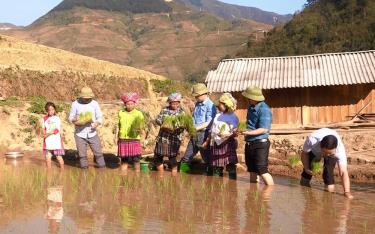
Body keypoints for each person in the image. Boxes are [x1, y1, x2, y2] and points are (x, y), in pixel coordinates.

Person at [300, 128, 354, 199]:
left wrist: (347, 192)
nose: (326, 155)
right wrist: (306, 168)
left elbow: (343, 172)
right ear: (320, 146)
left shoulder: (339, 151)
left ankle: (328, 200)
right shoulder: (312, 140)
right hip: (315, 152)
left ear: (335, 148)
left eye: (329, 153)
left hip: (330, 153)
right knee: (306, 174)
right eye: (325, 152)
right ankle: (307, 198)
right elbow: (304, 153)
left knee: (328, 174)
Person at [240, 86, 274, 186]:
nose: (247, 99)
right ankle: (253, 195)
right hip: (249, 142)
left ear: (253, 98)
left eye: (248, 97)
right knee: (252, 169)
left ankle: (269, 193)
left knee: (262, 169)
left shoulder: (264, 109)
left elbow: (264, 129)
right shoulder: (250, 107)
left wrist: (247, 132)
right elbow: (249, 124)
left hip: (260, 143)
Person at [180, 83, 216, 172]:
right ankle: (182, 177)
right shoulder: (197, 104)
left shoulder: (210, 106)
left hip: (204, 134)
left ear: (204, 94)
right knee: (187, 156)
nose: (196, 98)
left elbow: (209, 122)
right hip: (195, 133)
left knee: (206, 158)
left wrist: (196, 128)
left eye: (197, 96)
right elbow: (194, 117)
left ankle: (210, 179)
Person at [68, 86, 106, 169]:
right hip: (79, 134)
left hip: (92, 132)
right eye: (85, 98)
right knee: (82, 155)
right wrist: (74, 119)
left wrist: (96, 123)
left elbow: (99, 117)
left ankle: (103, 171)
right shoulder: (75, 104)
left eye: (89, 98)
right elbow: (70, 117)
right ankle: (84, 173)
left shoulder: (94, 104)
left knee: (98, 153)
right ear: (81, 97)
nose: (87, 99)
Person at [154, 93, 185, 174]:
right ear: (169, 102)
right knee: (158, 157)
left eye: (177, 103)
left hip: (174, 140)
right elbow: (158, 120)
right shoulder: (164, 110)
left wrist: (176, 128)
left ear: (179, 103)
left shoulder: (182, 113)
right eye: (173, 103)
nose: (175, 105)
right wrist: (164, 124)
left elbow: (184, 126)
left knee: (173, 158)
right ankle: (161, 175)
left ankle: (174, 177)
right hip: (163, 138)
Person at [209, 93, 239, 177]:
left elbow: (235, 133)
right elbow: (213, 130)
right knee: (217, 166)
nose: (218, 106)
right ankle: (217, 187)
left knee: (230, 165)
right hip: (216, 143)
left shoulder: (233, 117)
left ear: (226, 105)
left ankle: (232, 186)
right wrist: (208, 141)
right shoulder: (217, 115)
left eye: (220, 104)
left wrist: (227, 135)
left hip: (227, 143)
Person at [115, 93, 145, 172]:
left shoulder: (139, 113)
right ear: (125, 104)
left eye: (132, 104)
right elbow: (118, 126)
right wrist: (116, 137)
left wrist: (139, 130)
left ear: (134, 104)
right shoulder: (121, 113)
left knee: (136, 160)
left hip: (134, 138)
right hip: (123, 139)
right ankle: (123, 179)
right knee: (124, 160)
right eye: (128, 104)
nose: (130, 105)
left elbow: (142, 126)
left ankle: (137, 176)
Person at [42, 102, 65, 170]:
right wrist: (44, 134)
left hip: (56, 140)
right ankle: (49, 173)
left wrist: (48, 134)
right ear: (47, 111)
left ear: (54, 110)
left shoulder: (57, 118)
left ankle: (62, 172)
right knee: (47, 157)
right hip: (47, 141)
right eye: (49, 110)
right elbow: (43, 128)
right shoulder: (44, 119)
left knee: (59, 157)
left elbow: (57, 129)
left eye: (52, 109)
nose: (51, 111)